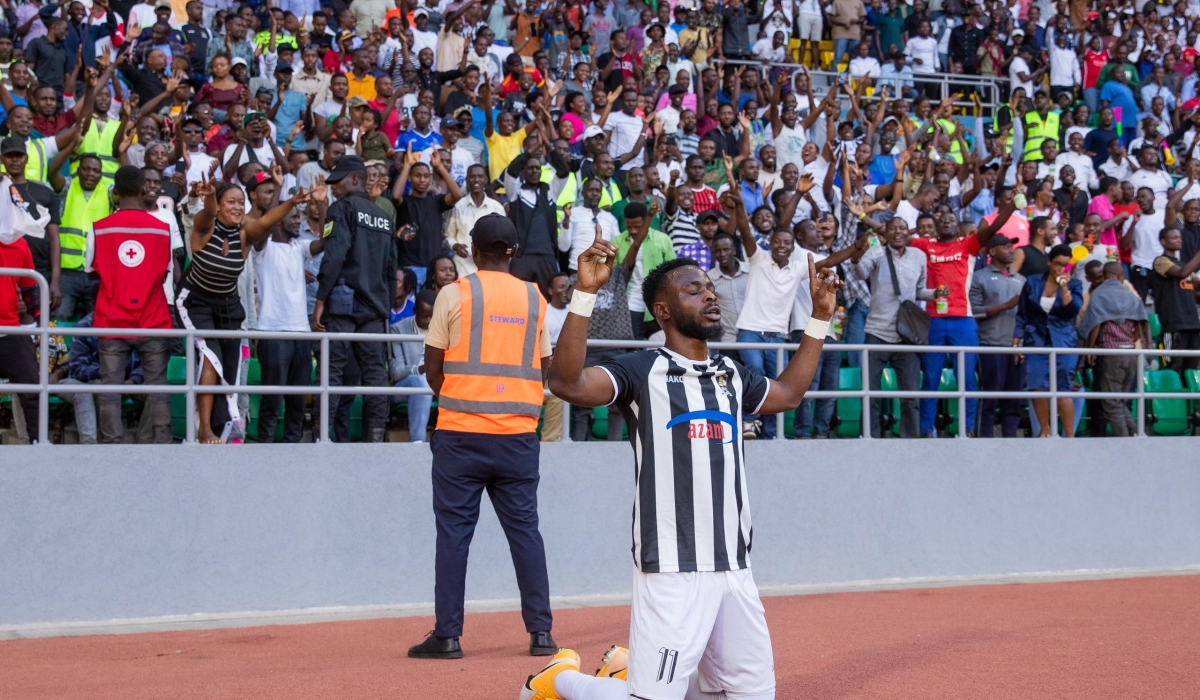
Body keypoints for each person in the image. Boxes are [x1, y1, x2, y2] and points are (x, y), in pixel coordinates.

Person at [532, 215, 842, 700]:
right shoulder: (641, 370)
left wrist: (819, 318)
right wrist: (585, 293)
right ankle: (560, 681)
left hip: (734, 565)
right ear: (663, 311)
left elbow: (787, 395)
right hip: (671, 567)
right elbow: (567, 383)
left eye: (710, 288)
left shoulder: (731, 373)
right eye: (693, 290)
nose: (709, 295)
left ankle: (624, 670)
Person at [410, 213, 556, 660]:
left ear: (473, 251)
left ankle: (448, 636)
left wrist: (460, 396)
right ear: (514, 252)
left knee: (453, 536)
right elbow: (544, 367)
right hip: (518, 438)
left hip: (460, 435)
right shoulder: (535, 298)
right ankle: (541, 634)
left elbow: (434, 368)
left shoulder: (454, 293)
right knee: (526, 534)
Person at [907, 191, 1015, 437]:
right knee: (931, 378)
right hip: (933, 320)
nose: (946, 222)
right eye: (942, 220)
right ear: (936, 228)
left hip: (963, 321)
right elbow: (897, 236)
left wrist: (1011, 206)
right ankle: (926, 431)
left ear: (958, 228)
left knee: (966, 379)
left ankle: (967, 429)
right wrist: (866, 217)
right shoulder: (926, 245)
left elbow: (994, 227)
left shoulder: (968, 245)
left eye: (951, 220)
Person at [82, 166, 173, 444]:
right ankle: (163, 442)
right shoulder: (164, 229)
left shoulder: (98, 228)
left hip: (112, 319)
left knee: (110, 387)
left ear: (115, 191)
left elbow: (90, 271)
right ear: (144, 189)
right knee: (158, 386)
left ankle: (112, 446)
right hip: (153, 319)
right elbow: (165, 272)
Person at [312, 154, 397, 443]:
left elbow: (334, 255)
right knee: (375, 375)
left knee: (331, 373)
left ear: (356, 179)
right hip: (374, 308)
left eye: (338, 181)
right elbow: (391, 269)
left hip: (342, 305)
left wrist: (320, 299)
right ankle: (375, 439)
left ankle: (321, 438)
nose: (334, 186)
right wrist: (385, 306)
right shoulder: (385, 217)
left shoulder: (341, 208)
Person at [250, 175, 329, 443]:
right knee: (272, 398)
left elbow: (326, 239)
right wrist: (280, 192)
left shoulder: (300, 247)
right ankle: (265, 445)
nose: (298, 221)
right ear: (278, 220)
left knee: (297, 399)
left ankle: (294, 445)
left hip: (301, 334)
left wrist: (323, 204)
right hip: (272, 333)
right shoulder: (263, 249)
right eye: (293, 217)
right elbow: (265, 222)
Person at [855, 216, 935, 438]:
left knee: (910, 396)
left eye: (902, 228)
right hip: (877, 331)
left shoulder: (919, 256)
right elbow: (860, 273)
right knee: (870, 392)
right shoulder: (877, 251)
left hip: (906, 335)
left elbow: (920, 291)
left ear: (908, 232)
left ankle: (910, 441)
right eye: (893, 229)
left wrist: (935, 294)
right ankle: (868, 438)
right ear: (886, 233)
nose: (898, 232)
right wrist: (857, 255)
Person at [1014, 244, 1083, 438]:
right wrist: (1016, 342)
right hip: (1036, 339)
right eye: (1057, 264)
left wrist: (1064, 287)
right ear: (1049, 262)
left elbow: (1072, 311)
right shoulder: (1033, 281)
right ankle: (1044, 430)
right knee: (1036, 386)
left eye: (1065, 265)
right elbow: (1023, 313)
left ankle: (1069, 435)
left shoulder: (1075, 284)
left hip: (1064, 341)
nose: (1061, 268)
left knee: (1062, 387)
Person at [1079, 264, 1150, 437]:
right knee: (1120, 402)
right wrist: (1131, 341)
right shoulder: (1130, 295)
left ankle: (1125, 441)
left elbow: (1094, 326)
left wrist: (1089, 349)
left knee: (1111, 403)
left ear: (1104, 275)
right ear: (1120, 275)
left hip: (1111, 354)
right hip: (1131, 353)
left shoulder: (1099, 294)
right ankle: (1136, 435)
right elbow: (1141, 326)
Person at [969, 234, 1025, 438]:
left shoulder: (1021, 280)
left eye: (1012, 247)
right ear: (992, 251)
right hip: (990, 345)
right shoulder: (978, 277)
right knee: (989, 399)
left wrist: (1022, 343)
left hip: (1016, 348)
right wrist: (1005, 306)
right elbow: (973, 311)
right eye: (1005, 246)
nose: (1011, 250)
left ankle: (1010, 442)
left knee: (1013, 402)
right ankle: (984, 441)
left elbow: (1026, 316)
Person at [1150, 228, 1200, 377]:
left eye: (1179, 237)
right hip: (1174, 324)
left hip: (1192, 324)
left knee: (1191, 371)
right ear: (1163, 242)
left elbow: (1196, 285)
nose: (1179, 240)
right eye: (1174, 238)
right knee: (1173, 369)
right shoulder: (1161, 261)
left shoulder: (1184, 265)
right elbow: (1181, 274)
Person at [389, 288, 437, 443]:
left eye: (433, 316)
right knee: (420, 382)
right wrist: (419, 369)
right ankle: (417, 442)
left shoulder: (444, 329)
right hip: (406, 385)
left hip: (438, 383)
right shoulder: (398, 329)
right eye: (424, 316)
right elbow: (396, 373)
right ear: (415, 311)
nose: (429, 321)